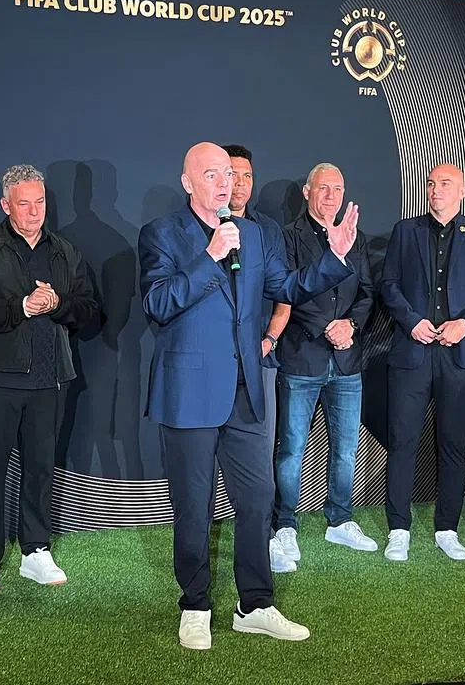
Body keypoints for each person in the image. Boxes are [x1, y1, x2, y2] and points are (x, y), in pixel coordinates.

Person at [138, 142, 359, 650]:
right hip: (189, 393)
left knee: (258, 500)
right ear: (188, 182)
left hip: (247, 391)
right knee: (193, 507)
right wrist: (211, 257)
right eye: (211, 174)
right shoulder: (162, 235)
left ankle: (254, 604)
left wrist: (336, 256)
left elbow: (291, 286)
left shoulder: (256, 236)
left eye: (228, 175)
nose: (224, 183)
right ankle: (194, 605)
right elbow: (157, 304)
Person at [0, 165, 97, 594]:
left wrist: (58, 303)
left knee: (40, 468)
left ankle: (36, 550)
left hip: (51, 378)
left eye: (40, 202)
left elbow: (89, 311)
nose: (34, 211)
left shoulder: (66, 251)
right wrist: (21, 307)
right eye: (24, 203)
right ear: (5, 205)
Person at [378, 163, 465, 562]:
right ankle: (398, 528)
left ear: (463, 191)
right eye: (431, 184)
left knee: (453, 444)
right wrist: (412, 322)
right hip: (411, 352)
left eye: (444, 184)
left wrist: (464, 323)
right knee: (402, 442)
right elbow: (388, 285)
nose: (435, 190)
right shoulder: (405, 230)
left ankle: (447, 527)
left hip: (458, 355)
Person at [270, 163, 377, 565]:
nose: (331, 195)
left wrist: (350, 324)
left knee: (346, 448)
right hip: (302, 356)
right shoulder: (288, 237)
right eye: (323, 188)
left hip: (347, 359)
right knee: (291, 448)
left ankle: (340, 520)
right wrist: (325, 327)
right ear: (306, 191)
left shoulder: (357, 238)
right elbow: (285, 290)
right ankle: (285, 524)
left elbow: (368, 292)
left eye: (338, 188)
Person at [221, 144, 294, 574]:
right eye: (232, 174)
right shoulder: (202, 227)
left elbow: (283, 294)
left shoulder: (268, 230)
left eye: (247, 175)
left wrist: (267, 340)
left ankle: (264, 539)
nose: (240, 183)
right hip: (211, 365)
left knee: (260, 459)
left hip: (259, 364)